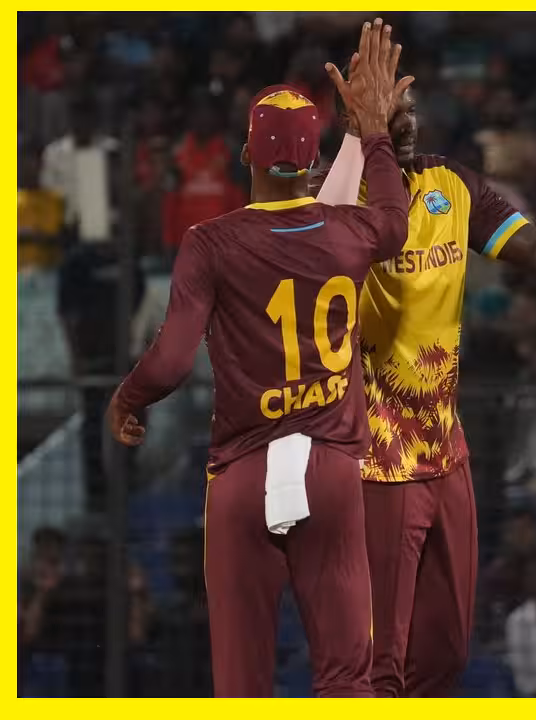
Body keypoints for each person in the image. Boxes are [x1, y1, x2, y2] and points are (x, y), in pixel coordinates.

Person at [106, 19, 413, 697]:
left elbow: (171, 362)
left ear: (246, 151)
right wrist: (374, 133)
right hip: (330, 470)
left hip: (242, 472)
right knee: (346, 678)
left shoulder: (210, 242)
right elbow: (395, 220)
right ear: (312, 162)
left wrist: (127, 398)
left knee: (241, 686)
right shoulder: (351, 232)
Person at [312, 48, 536, 700]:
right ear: (357, 123)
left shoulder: (452, 184)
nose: (408, 123)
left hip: (447, 452)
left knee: (446, 653)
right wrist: (365, 136)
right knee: (380, 658)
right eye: (392, 114)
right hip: (377, 461)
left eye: (411, 110)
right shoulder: (336, 200)